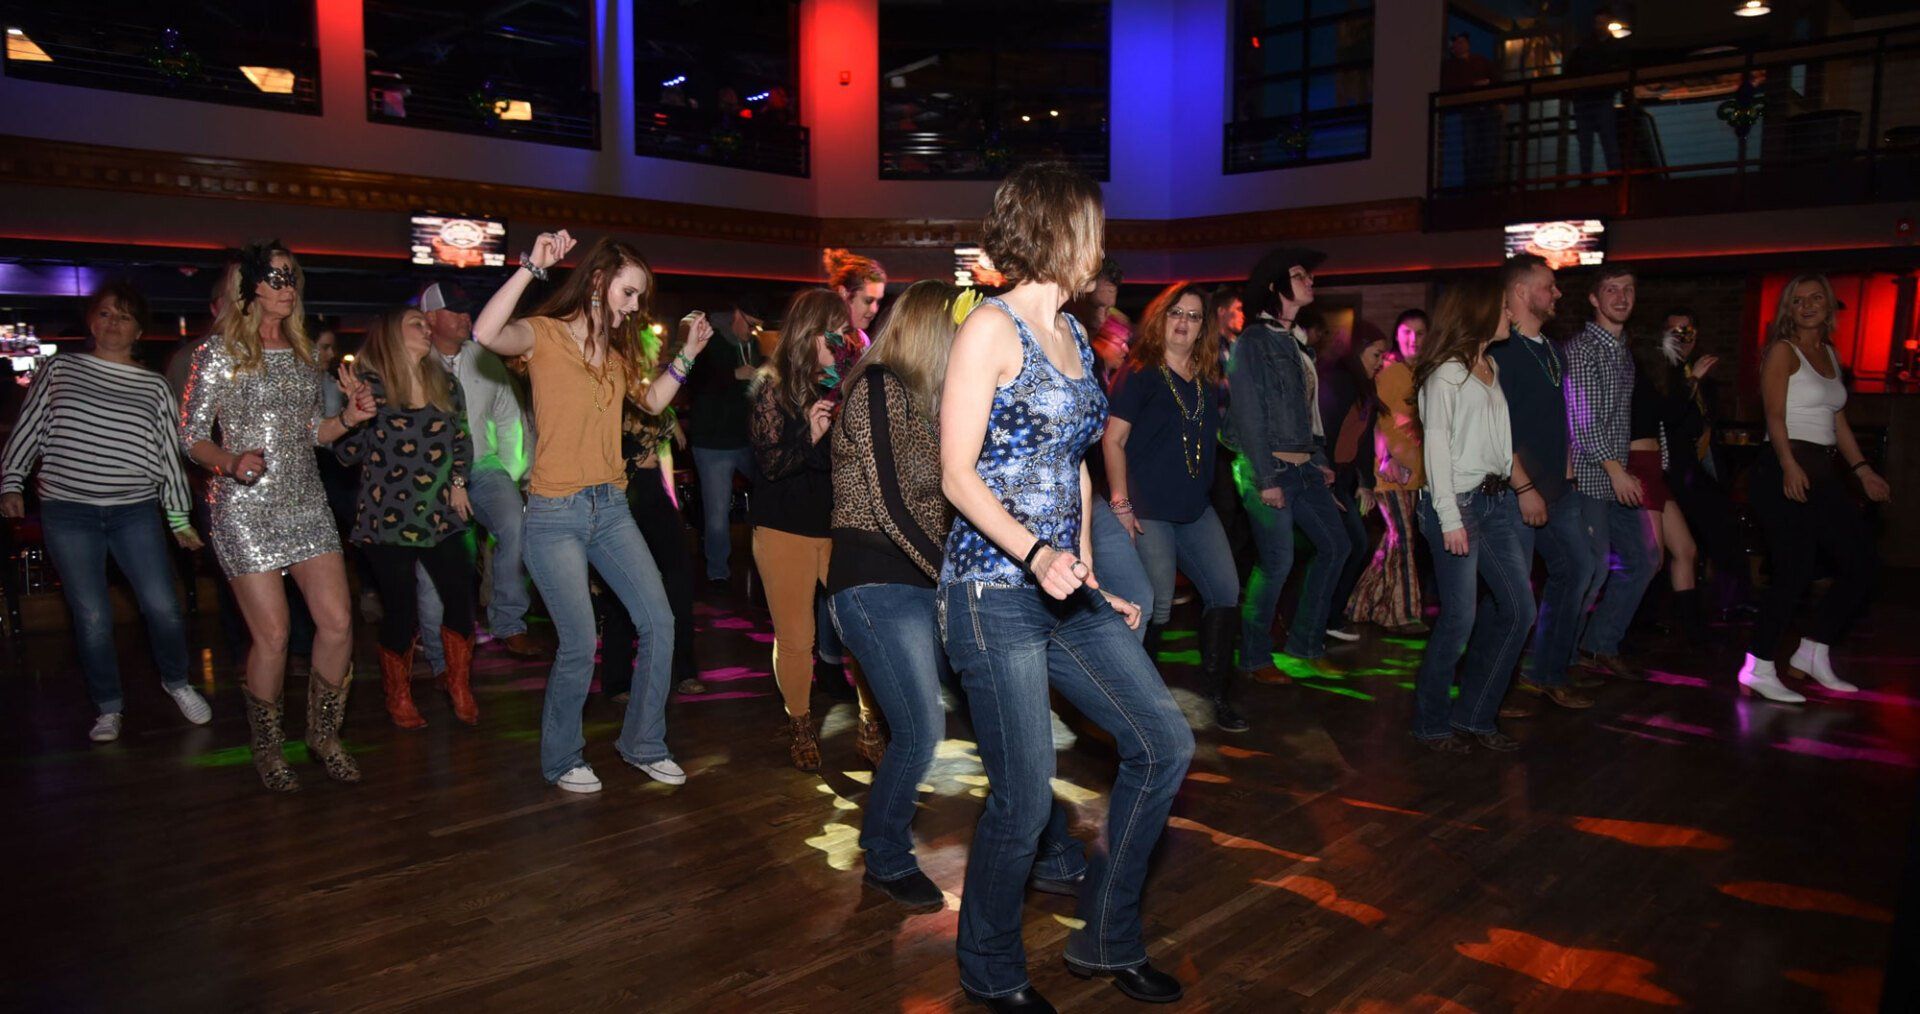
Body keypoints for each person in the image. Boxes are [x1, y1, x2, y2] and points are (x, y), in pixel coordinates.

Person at [940, 161, 1193, 1011]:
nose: (1104, 241)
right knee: (1021, 794)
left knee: (1164, 743)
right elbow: (955, 475)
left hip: (1060, 588)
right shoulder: (990, 329)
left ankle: (1107, 937)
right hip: (990, 588)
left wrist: (1082, 571)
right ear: (1057, 229)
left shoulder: (1077, 338)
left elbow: (1074, 468)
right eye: (1093, 223)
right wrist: (1034, 554)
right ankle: (990, 972)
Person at [827, 280, 1092, 912]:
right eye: (957, 329)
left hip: (925, 584)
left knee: (997, 713)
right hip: (873, 583)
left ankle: (1048, 848)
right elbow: (893, 505)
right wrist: (961, 570)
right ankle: (885, 856)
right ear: (928, 328)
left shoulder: (930, 401)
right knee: (920, 728)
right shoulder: (876, 387)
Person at [470, 230, 706, 794]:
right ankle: (561, 757)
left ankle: (643, 743)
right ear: (598, 282)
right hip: (554, 513)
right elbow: (485, 332)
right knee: (578, 642)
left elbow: (647, 405)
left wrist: (687, 357)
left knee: (661, 622)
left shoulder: (619, 352)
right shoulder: (544, 336)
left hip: (611, 507)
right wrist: (531, 265)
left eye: (638, 298)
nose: (633, 307)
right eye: (628, 293)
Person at [179, 241, 376, 792]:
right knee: (274, 635)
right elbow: (190, 435)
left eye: (292, 277)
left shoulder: (305, 353)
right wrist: (229, 461)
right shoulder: (216, 354)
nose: (286, 287)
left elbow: (314, 433)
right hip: (244, 508)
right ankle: (267, 746)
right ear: (250, 288)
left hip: (306, 501)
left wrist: (351, 419)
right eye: (275, 277)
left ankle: (324, 735)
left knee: (338, 623)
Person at [1, 281, 210, 742]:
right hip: (67, 511)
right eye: (105, 314)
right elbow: (29, 428)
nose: (113, 323)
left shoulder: (154, 385)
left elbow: (166, 455)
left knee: (163, 607)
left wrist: (178, 519)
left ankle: (177, 681)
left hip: (133, 510)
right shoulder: (59, 369)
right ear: (91, 320)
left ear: (139, 331)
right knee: (92, 616)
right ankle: (108, 707)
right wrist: (11, 480)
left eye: (124, 317)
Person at [1737, 275, 1891, 702]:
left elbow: (1837, 419)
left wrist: (1862, 470)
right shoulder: (1782, 352)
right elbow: (1773, 414)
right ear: (1789, 308)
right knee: (1794, 569)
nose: (1806, 305)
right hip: (1783, 466)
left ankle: (1813, 650)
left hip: (1822, 471)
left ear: (1829, 308)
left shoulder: (1828, 353)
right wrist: (1787, 464)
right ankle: (1759, 665)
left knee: (1861, 563)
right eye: (1798, 300)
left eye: (1815, 299)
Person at [1102, 282, 1246, 732]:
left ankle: (1217, 696)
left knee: (1226, 592)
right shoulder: (1139, 372)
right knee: (1158, 606)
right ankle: (1142, 706)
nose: (1183, 323)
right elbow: (1113, 439)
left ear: (1205, 326)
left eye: (1194, 316)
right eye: (1176, 313)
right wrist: (1122, 505)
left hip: (1195, 509)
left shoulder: (1206, 376)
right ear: (1161, 318)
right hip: (1149, 512)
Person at [750, 287, 882, 771]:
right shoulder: (772, 385)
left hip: (838, 526)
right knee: (797, 637)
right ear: (810, 333)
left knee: (863, 629)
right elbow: (771, 467)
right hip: (784, 526)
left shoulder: (845, 383)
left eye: (845, 333)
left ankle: (872, 724)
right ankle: (801, 724)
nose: (843, 341)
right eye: (835, 333)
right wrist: (810, 433)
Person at [335, 306, 478, 728]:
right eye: (415, 323)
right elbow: (345, 455)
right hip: (388, 517)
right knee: (401, 609)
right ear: (390, 337)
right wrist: (350, 414)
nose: (426, 328)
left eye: (426, 322)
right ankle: (397, 695)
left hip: (440, 511)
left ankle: (458, 684)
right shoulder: (373, 387)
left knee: (460, 596)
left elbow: (461, 440)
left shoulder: (445, 383)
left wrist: (459, 482)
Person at [1410, 278, 1534, 753]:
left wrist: (1512, 484)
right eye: (1504, 307)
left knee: (1520, 611)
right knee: (1458, 620)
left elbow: (1496, 443)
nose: (1510, 314)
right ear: (1480, 313)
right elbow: (1436, 449)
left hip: (1494, 501)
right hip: (1456, 504)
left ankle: (1477, 714)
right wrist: (1448, 518)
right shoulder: (1446, 375)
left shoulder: (1489, 366)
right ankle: (1430, 722)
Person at [1226, 246, 1351, 682]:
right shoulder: (1255, 341)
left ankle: (1304, 643)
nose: (1310, 281)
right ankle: (1256, 656)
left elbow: (1304, 410)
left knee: (1338, 546)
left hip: (1302, 467)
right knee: (1277, 562)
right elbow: (1248, 413)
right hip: (1270, 469)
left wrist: (1318, 459)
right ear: (1276, 286)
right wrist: (1264, 478)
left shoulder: (1294, 342)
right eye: (1300, 275)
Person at [1486, 256, 1598, 711]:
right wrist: (1524, 487)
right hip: (1517, 492)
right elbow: (1498, 430)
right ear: (1519, 292)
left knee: (1578, 570)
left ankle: (1546, 673)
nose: (1557, 294)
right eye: (1548, 286)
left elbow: (1559, 417)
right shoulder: (1499, 352)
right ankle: (1496, 687)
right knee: (1511, 597)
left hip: (1558, 489)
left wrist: (1567, 471)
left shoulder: (1550, 349)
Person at [412, 282, 541, 666]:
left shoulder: (484, 357)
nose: (466, 317)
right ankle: (440, 653)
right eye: (455, 310)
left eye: (468, 309)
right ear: (430, 317)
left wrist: (513, 472)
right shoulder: (415, 359)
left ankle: (509, 623)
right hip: (432, 473)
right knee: (439, 557)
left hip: (483, 466)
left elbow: (508, 418)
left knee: (515, 523)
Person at [600, 335, 704, 704]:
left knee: (678, 580)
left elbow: (664, 457)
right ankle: (616, 680)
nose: (658, 349)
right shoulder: (611, 386)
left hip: (653, 493)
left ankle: (686, 669)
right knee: (621, 587)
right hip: (621, 492)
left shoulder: (659, 395)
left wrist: (672, 501)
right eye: (649, 343)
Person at [1566, 265, 1658, 681]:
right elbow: (1582, 422)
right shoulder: (1583, 349)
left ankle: (1598, 643)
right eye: (1611, 289)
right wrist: (1617, 472)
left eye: (1628, 289)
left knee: (1644, 559)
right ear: (1594, 298)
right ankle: (1555, 659)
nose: (1621, 297)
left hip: (1617, 476)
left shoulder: (1623, 351)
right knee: (1591, 571)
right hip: (1589, 478)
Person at [1651, 308, 1753, 620]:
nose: (1682, 337)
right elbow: (1668, 416)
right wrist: (1692, 381)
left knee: (1720, 528)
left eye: (1688, 330)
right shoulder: (1662, 372)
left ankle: (1730, 600)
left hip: (1696, 467)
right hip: (1669, 471)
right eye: (1675, 331)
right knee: (1675, 547)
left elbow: (1703, 422)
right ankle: (1667, 613)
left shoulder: (1696, 374)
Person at [1349, 310, 1428, 633]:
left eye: (1421, 333)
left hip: (1413, 474)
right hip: (1388, 473)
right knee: (1404, 540)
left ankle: (1361, 604)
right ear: (1398, 335)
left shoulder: (1418, 373)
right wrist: (1384, 459)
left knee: (1394, 542)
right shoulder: (1390, 372)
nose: (1414, 339)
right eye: (1407, 332)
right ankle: (1402, 613)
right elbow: (1372, 420)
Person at [1626, 316, 1703, 639]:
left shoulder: (1655, 378)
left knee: (1685, 550)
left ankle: (1692, 632)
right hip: (1638, 465)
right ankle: (1622, 630)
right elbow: (1667, 412)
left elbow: (1671, 415)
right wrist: (1691, 379)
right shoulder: (1636, 377)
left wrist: (1688, 380)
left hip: (1655, 467)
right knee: (1651, 559)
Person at [1319, 329, 1390, 642]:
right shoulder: (1339, 383)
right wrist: (1327, 484)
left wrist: (1367, 483)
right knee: (1346, 546)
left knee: (1352, 545)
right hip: (1327, 478)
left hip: (1345, 478)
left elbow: (1362, 443)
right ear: (1358, 351)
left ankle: (1328, 617)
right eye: (1376, 355)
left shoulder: (1364, 386)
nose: (1381, 362)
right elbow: (1328, 433)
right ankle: (1323, 618)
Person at [685, 304, 761, 586]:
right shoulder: (710, 339)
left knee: (773, 490)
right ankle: (717, 573)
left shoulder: (752, 344)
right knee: (717, 514)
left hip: (746, 439)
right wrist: (734, 376)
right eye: (750, 323)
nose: (753, 331)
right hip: (713, 443)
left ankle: (770, 556)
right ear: (738, 314)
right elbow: (694, 382)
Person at [1564, 8, 1625, 179]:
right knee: (1601, 141)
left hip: (1590, 99)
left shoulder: (1586, 47)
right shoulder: (1610, 47)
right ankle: (1610, 177)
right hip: (1594, 98)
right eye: (1598, 22)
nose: (1599, 25)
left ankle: (1592, 178)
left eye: (1602, 22)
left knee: (1594, 142)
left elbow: (1570, 71)